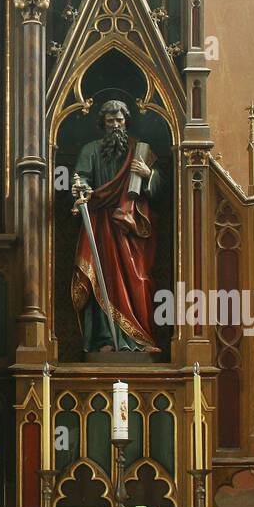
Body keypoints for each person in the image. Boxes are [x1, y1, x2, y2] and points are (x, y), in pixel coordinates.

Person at [70, 99, 162, 353]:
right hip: (101, 225)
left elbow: (161, 191)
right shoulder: (90, 150)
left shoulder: (140, 150)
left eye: (119, 120)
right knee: (104, 278)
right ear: (102, 124)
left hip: (131, 227)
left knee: (138, 278)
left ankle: (139, 338)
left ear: (126, 122)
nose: (115, 125)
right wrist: (82, 190)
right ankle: (105, 340)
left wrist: (148, 175)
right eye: (110, 121)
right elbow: (81, 179)